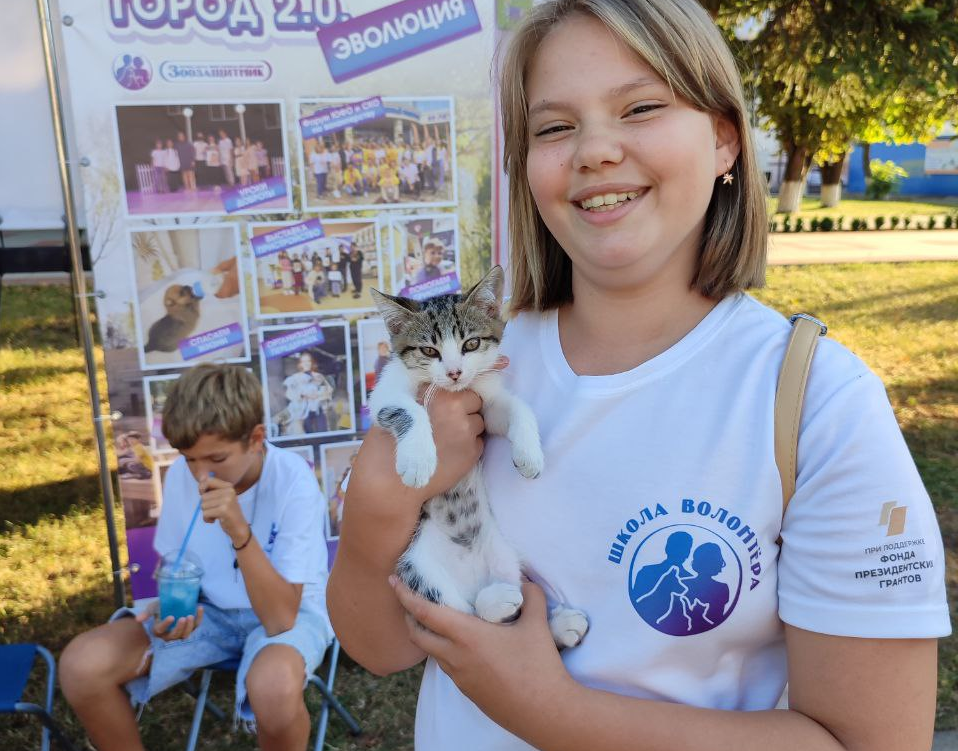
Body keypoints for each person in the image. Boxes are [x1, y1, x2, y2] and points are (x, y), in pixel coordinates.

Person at [326, 2, 950, 750]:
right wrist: (371, 511)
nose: (594, 150)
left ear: (725, 138)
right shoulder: (467, 374)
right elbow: (382, 646)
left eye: (642, 107)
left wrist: (552, 712)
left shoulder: (818, 404)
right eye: (554, 127)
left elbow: (872, 741)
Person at [60, 364, 333, 751]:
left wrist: (240, 532)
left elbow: (280, 619)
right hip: (211, 613)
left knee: (272, 686)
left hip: (289, 612)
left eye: (216, 459)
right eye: (189, 459)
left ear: (256, 438)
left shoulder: (293, 481)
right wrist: (174, 613)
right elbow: (179, 570)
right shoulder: (180, 478)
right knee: (81, 665)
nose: (201, 474)